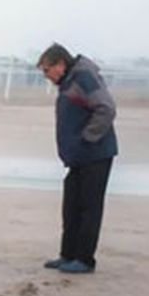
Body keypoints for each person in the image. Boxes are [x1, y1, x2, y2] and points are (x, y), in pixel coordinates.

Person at [37, 43, 118, 274]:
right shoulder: (69, 81)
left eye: (47, 70)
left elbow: (107, 108)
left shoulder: (84, 77)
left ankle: (84, 260)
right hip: (79, 157)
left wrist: (87, 139)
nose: (46, 76)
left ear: (60, 64)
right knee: (71, 206)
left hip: (95, 154)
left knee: (89, 208)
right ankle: (68, 255)